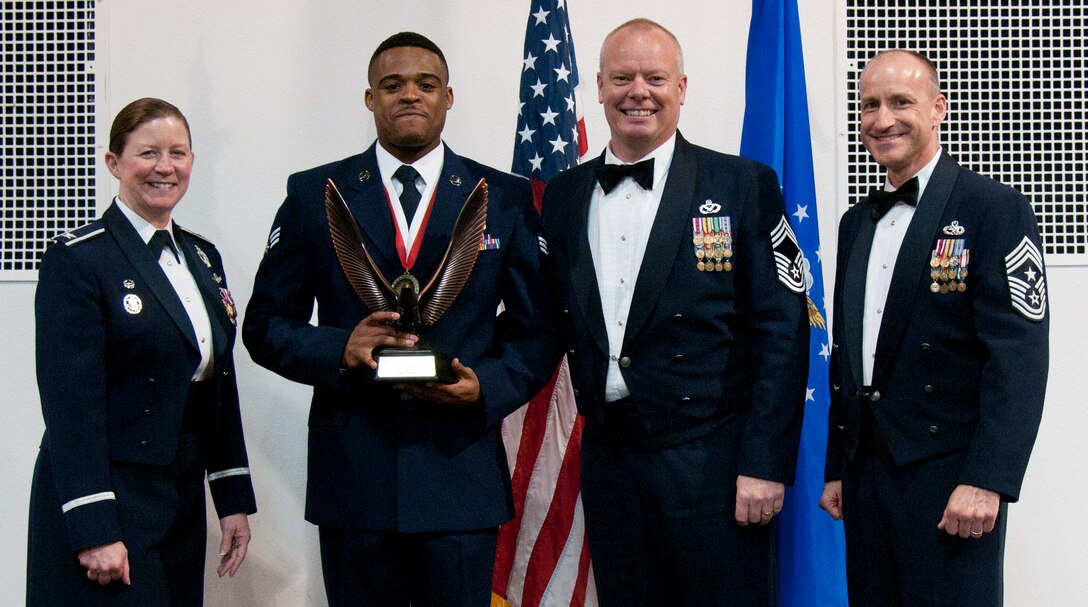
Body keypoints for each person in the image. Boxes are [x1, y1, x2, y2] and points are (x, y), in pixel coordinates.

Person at [242, 32, 556, 607]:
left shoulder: (503, 198)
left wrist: (489, 384)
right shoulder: (316, 194)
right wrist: (338, 348)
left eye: (425, 84)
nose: (409, 95)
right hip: (356, 475)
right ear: (369, 99)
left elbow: (539, 329)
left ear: (449, 97)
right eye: (392, 85)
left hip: (459, 474)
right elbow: (264, 325)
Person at [540, 18, 809, 606]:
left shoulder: (742, 185)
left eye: (655, 77)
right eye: (623, 77)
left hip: (712, 460)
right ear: (600, 87)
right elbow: (543, 326)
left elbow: (782, 333)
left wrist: (764, 463)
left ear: (681, 87)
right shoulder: (562, 196)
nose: (639, 91)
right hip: (610, 460)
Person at [819, 49, 1049, 606]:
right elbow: (849, 354)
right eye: (869, 105)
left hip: (951, 479)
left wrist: (989, 478)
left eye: (901, 102)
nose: (882, 119)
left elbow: (1018, 357)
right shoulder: (856, 222)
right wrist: (836, 465)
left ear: (938, 108)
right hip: (867, 476)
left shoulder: (994, 209)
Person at [27, 98, 257, 605]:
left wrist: (232, 498)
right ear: (114, 163)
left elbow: (216, 384)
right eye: (148, 153)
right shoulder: (79, 260)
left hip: (178, 497)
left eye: (179, 153)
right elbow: (71, 406)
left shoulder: (202, 256)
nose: (165, 167)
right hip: (110, 495)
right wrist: (93, 525)